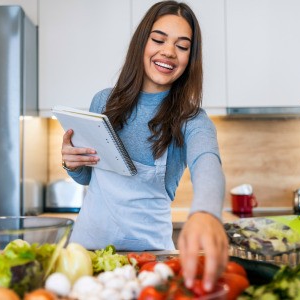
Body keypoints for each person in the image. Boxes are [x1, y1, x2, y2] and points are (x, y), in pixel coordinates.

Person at [60, 0, 228, 292]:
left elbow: (207, 160)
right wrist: (71, 163)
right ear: (142, 43)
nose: (168, 52)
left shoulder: (190, 119)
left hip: (150, 264)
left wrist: (206, 212)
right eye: (159, 39)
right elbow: (88, 176)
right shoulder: (104, 102)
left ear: (191, 58)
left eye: (182, 46)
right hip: (86, 256)